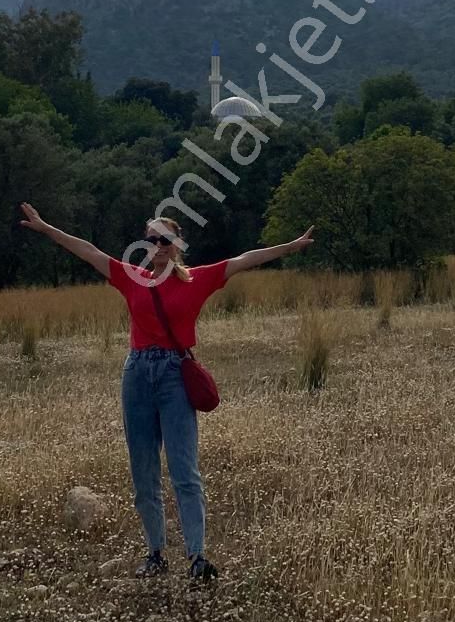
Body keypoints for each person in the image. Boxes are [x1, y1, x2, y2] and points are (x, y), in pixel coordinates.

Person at [19, 203, 314, 581]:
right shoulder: (131, 277)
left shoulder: (199, 279)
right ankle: (155, 553)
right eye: (151, 239)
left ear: (177, 244)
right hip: (138, 374)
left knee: (184, 471)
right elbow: (88, 250)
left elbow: (245, 259)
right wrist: (46, 228)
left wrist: (291, 246)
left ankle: (197, 558)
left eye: (165, 239)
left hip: (176, 374)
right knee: (143, 475)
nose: (157, 245)